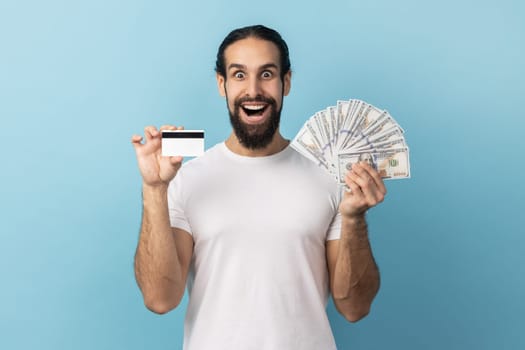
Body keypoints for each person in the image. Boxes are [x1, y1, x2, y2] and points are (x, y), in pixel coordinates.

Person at [131, 24, 386, 350]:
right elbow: (159, 299)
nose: (253, 89)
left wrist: (353, 218)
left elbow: (355, 308)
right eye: (239, 75)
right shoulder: (187, 178)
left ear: (286, 82)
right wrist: (154, 188)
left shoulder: (331, 177)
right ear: (222, 84)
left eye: (266, 74)